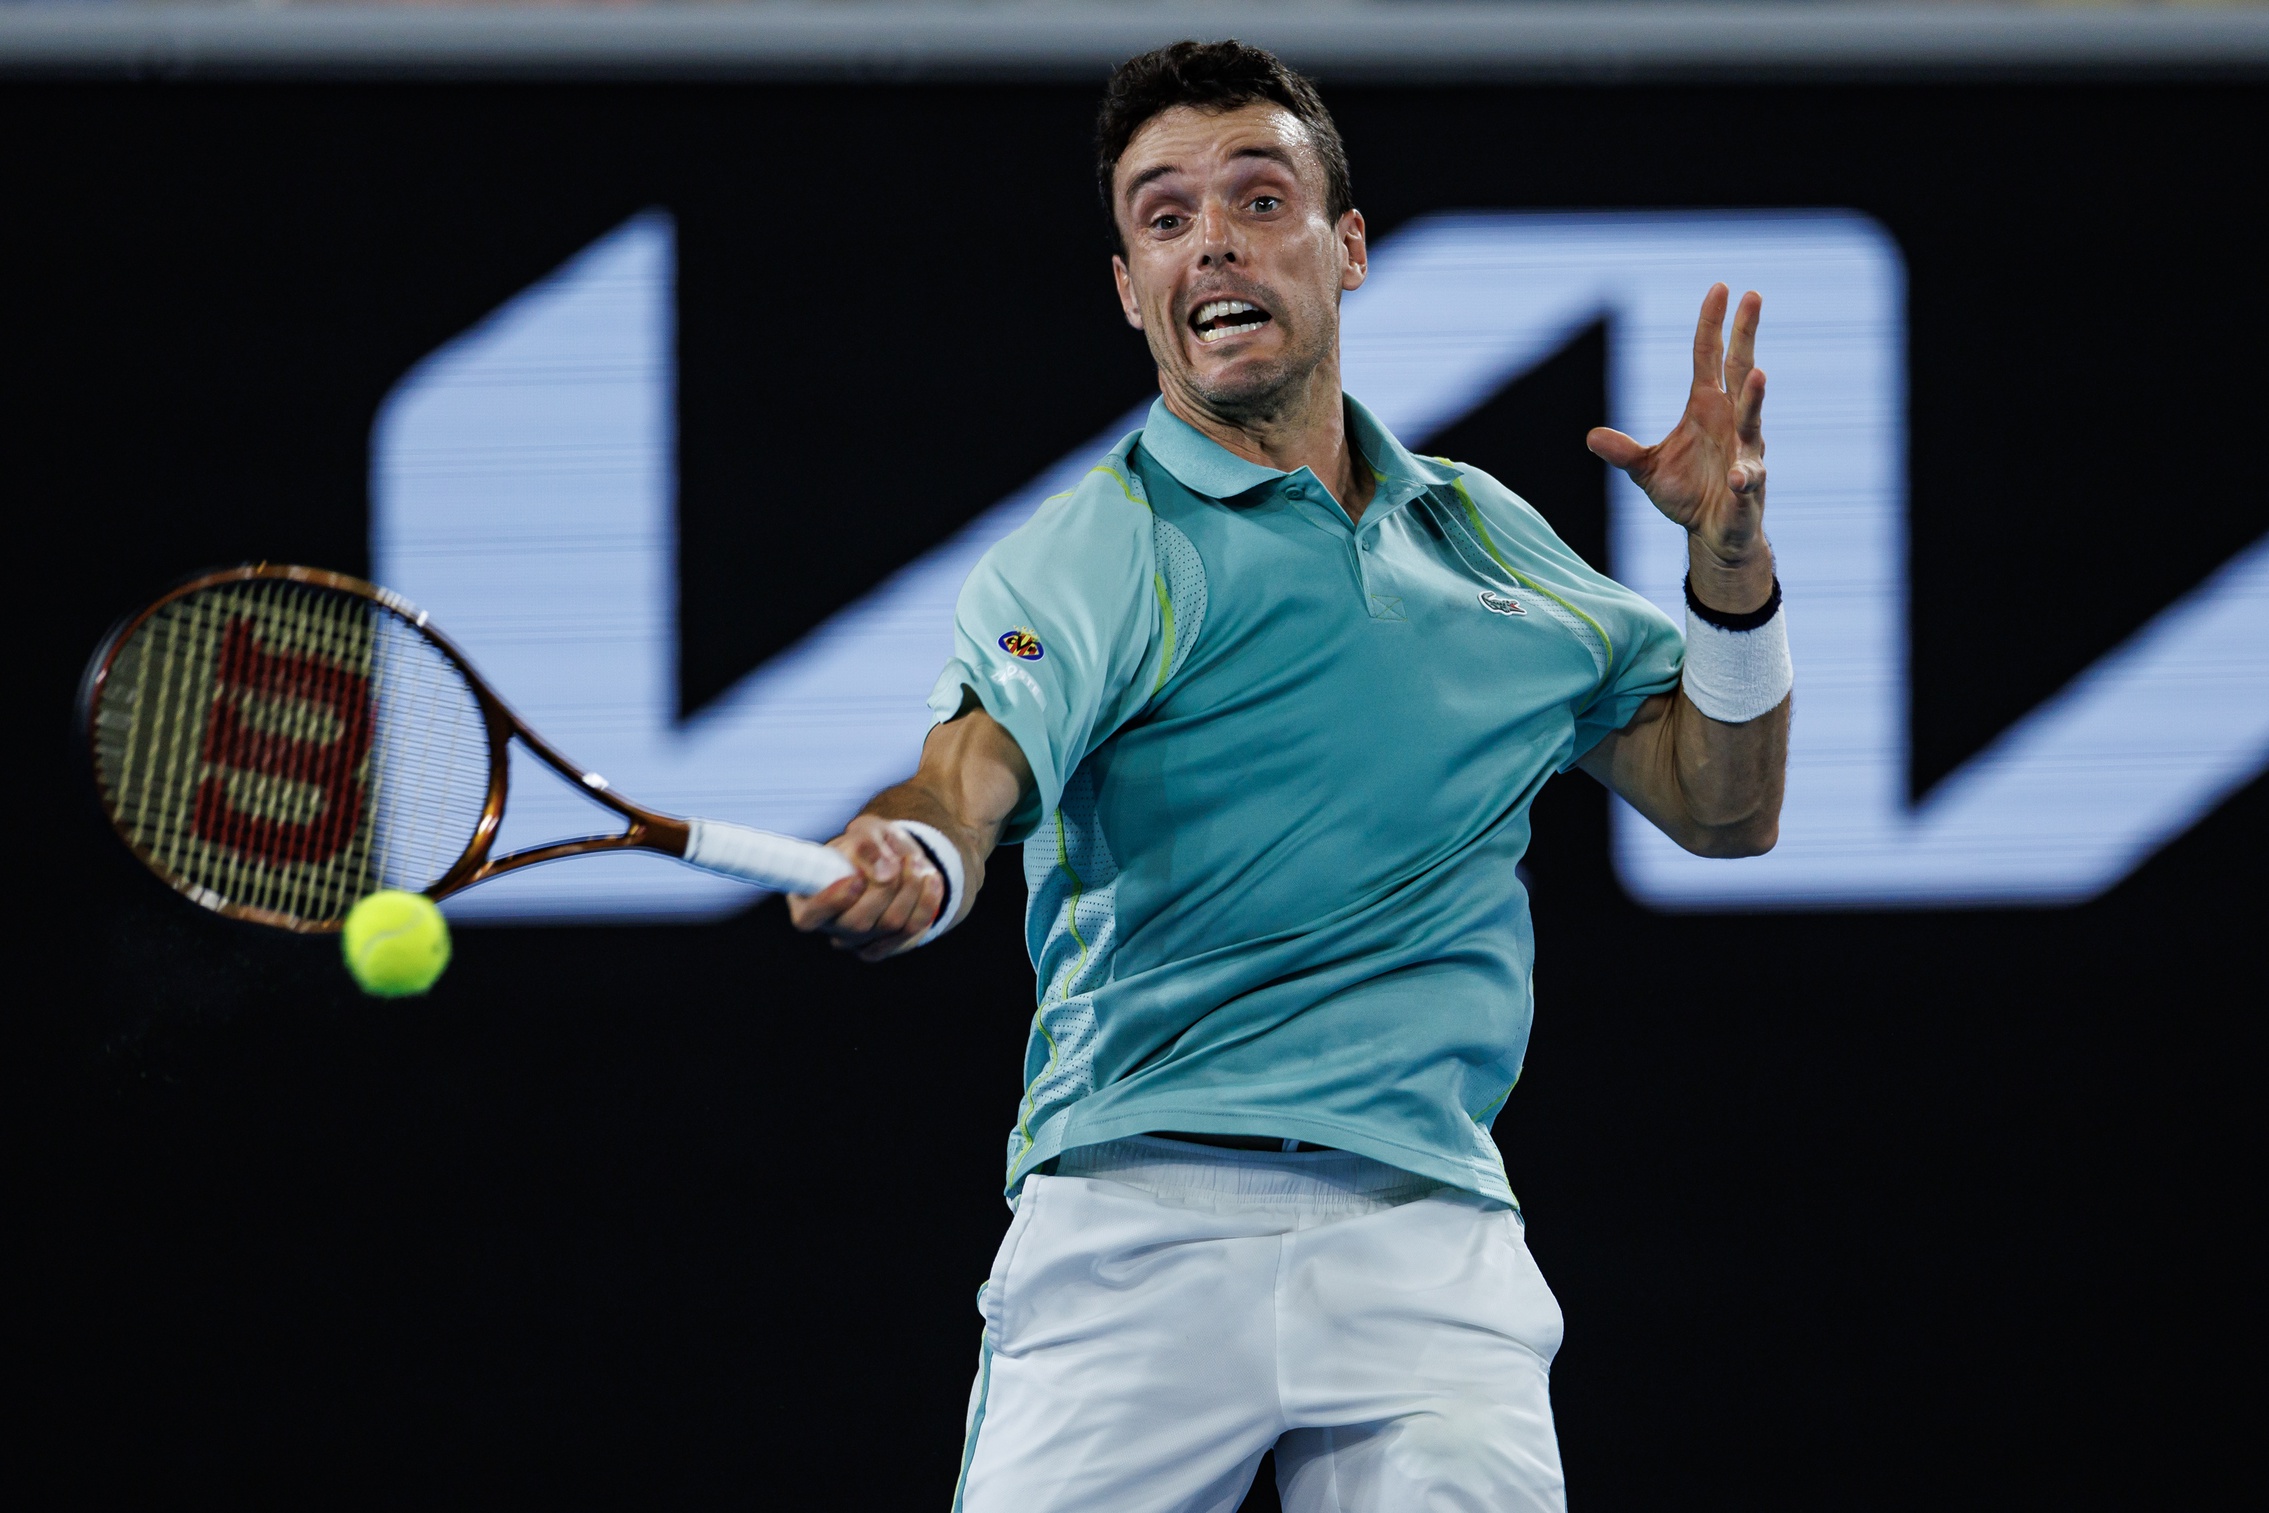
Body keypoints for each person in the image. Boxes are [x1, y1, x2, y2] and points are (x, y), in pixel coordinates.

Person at [788, 39, 1790, 1513]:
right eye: (1164, 217)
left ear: (1345, 249)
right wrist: (923, 852)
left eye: (1257, 200)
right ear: (1130, 289)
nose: (1213, 244)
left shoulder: (1486, 538)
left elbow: (1725, 803)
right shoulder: (1092, 552)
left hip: (1422, 1237)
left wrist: (1727, 561)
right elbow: (968, 772)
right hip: (1134, 1223)